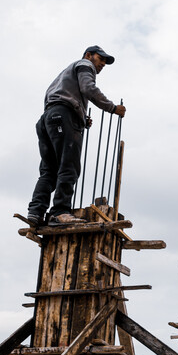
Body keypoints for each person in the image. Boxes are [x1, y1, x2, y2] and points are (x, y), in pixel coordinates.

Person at [27, 45, 127, 226]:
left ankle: (36, 212)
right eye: (100, 58)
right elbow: (88, 89)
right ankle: (60, 212)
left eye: (105, 61)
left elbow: (62, 98)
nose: (103, 63)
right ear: (89, 55)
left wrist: (80, 118)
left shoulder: (65, 74)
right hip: (62, 116)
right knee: (69, 166)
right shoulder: (84, 65)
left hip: (48, 119)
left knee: (49, 170)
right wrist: (112, 108)